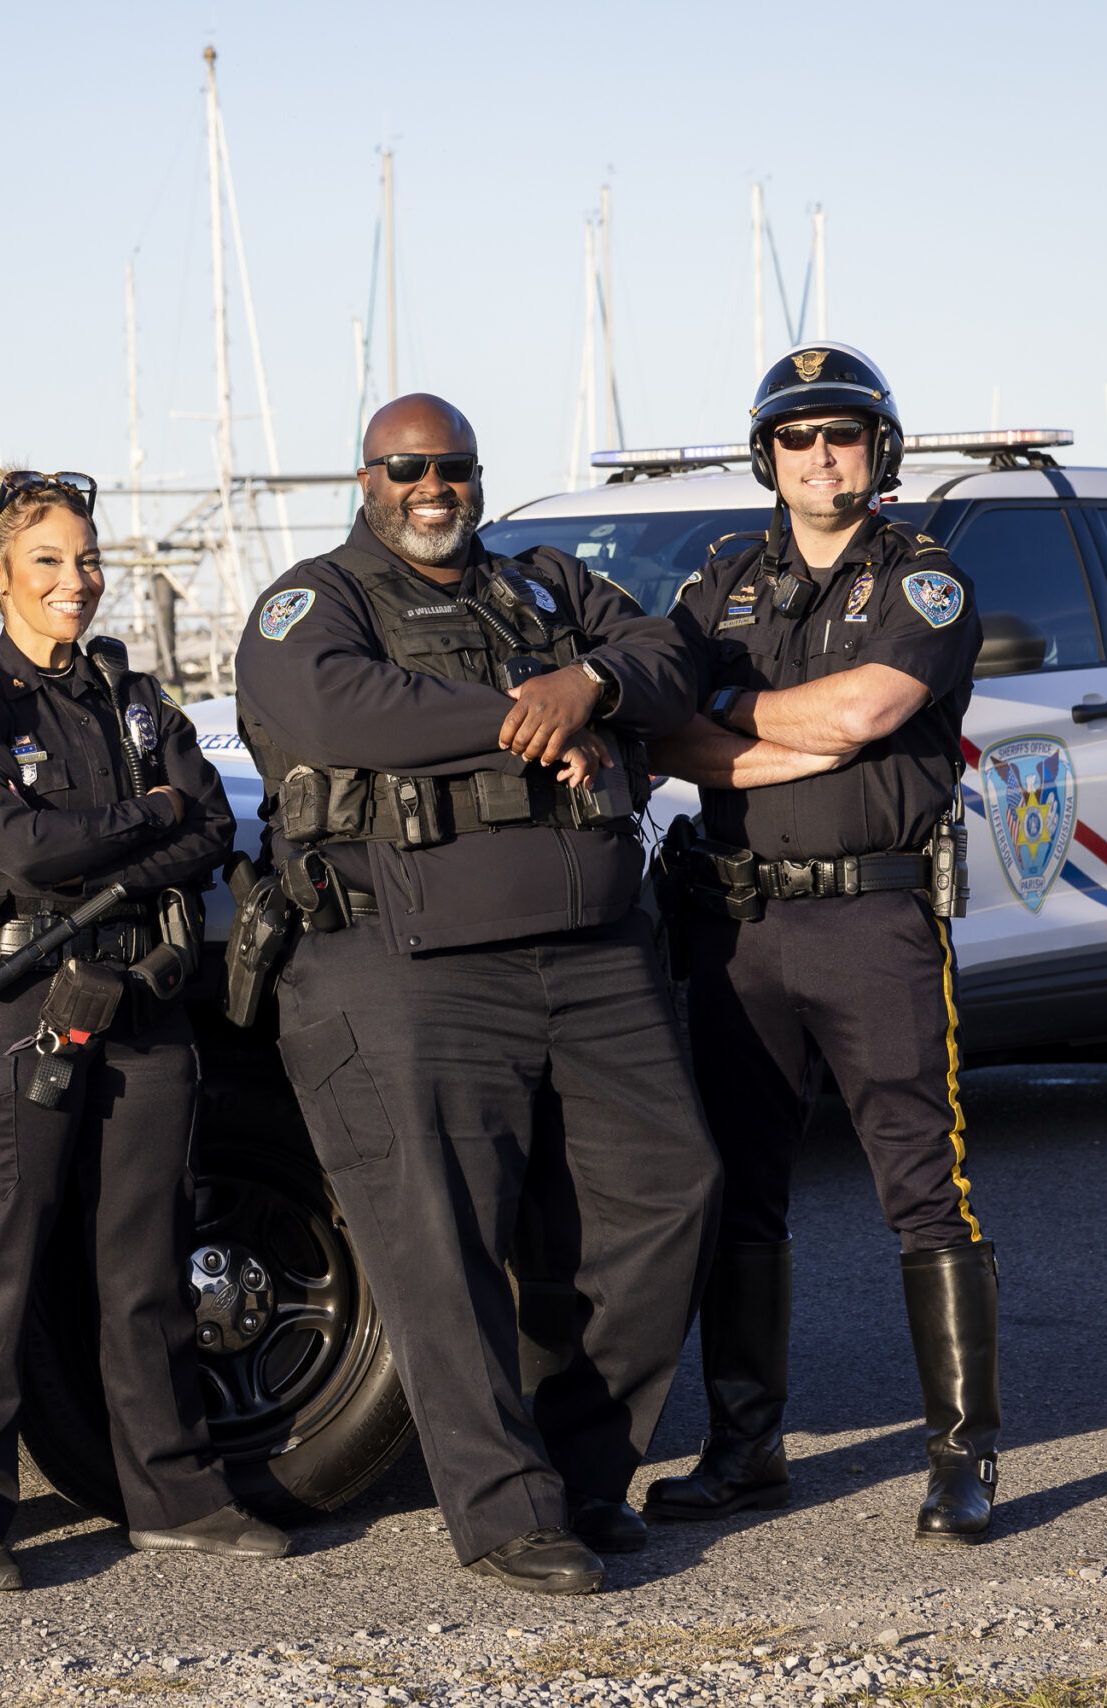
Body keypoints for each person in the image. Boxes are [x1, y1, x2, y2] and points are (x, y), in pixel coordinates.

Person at [233, 394, 718, 1596]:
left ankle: (579, 1471)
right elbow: (331, 707)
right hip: (409, 958)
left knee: (670, 1187)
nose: (432, 485)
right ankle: (504, 1512)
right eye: (407, 468)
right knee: (440, 1241)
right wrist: (527, 712)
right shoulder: (317, 598)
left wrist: (590, 684)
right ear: (366, 478)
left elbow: (673, 654)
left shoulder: (546, 584)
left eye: (452, 466)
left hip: (596, 950)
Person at [643, 343, 1000, 1545]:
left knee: (921, 1187)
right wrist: (777, 736)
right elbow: (660, 730)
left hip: (873, 920)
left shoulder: (926, 578)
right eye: (795, 437)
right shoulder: (722, 581)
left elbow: (866, 712)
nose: (818, 455)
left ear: (878, 448)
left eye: (840, 433)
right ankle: (745, 1450)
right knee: (739, 1191)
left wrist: (733, 719)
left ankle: (963, 1456)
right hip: (740, 924)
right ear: (768, 457)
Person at [0, 469, 287, 1593]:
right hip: (26, 1010)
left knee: (144, 1268)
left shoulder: (135, 701)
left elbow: (213, 821)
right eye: (46, 561)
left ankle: (171, 1494)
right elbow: (20, 854)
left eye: (84, 559)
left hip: (143, 1003)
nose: (73, 581)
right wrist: (147, 815)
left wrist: (138, 829)